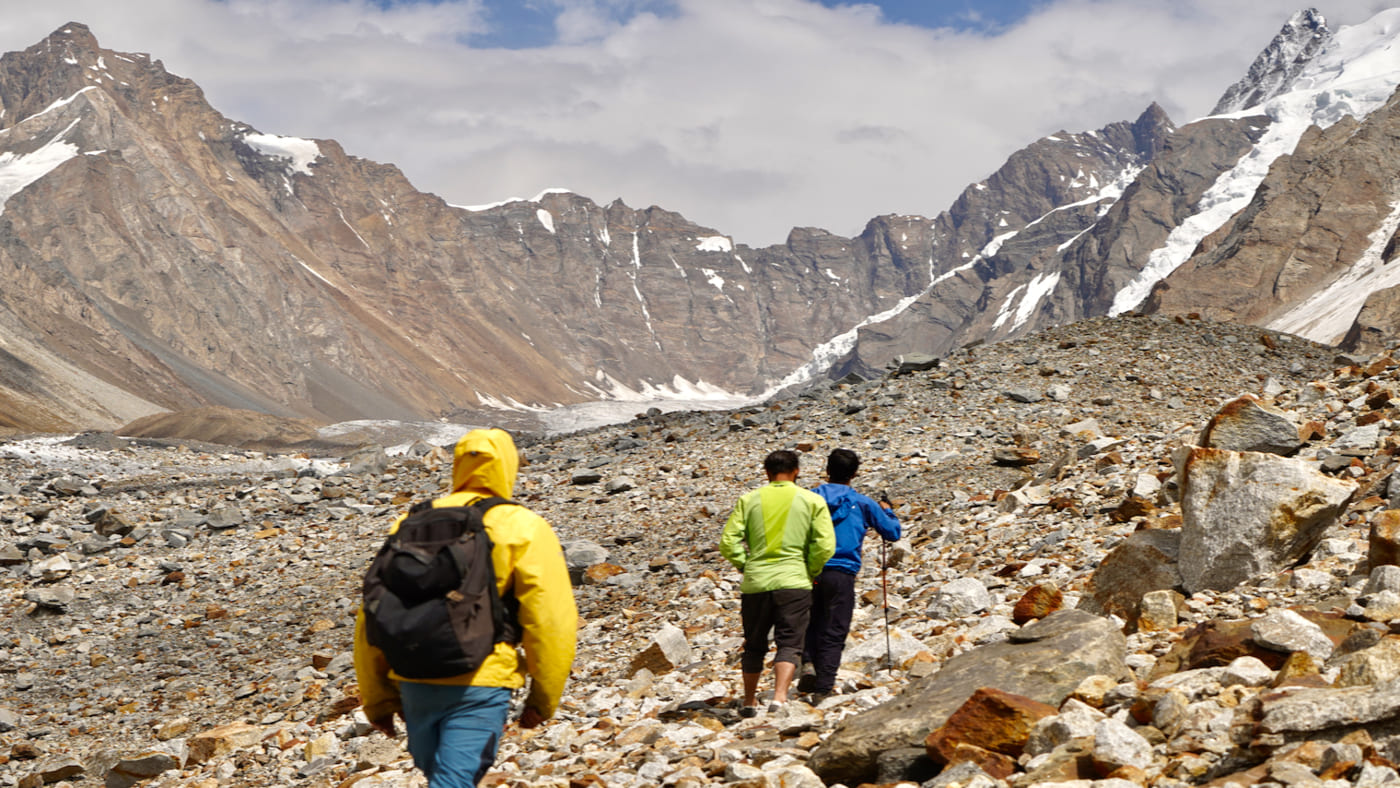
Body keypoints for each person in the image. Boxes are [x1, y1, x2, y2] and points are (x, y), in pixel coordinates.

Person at [354, 428, 577, 787]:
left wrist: (377, 699)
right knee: (453, 781)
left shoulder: (410, 523)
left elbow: (372, 611)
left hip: (413, 679)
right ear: (508, 466)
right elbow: (550, 619)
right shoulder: (523, 526)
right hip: (480, 680)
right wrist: (544, 697)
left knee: (442, 777)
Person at [720, 449, 835, 716]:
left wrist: (745, 564)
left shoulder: (749, 500)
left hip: (756, 582)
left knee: (754, 643)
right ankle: (779, 698)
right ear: (797, 471)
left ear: (767, 473)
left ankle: (749, 700)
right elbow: (825, 545)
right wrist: (810, 569)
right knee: (790, 642)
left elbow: (728, 542)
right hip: (794, 580)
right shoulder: (810, 500)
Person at [800, 448, 901, 699]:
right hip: (843, 571)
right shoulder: (863, 502)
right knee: (835, 628)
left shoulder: (809, 498)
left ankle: (808, 663)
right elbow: (892, 533)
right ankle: (823, 687)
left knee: (810, 622)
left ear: (827, 470)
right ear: (854, 473)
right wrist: (887, 510)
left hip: (808, 569)